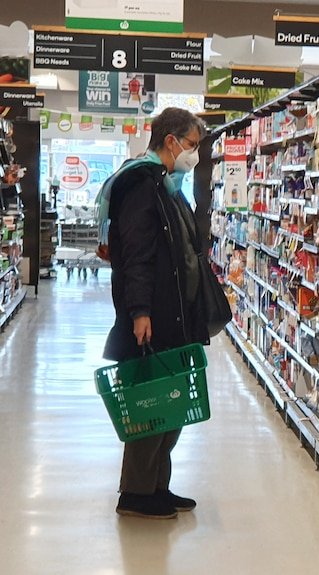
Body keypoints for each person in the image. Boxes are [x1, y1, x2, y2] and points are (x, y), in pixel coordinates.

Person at [96, 108, 209, 519]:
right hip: (154, 316)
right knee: (151, 403)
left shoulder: (164, 184)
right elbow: (139, 257)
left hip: (173, 314)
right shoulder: (141, 186)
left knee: (171, 404)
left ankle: (158, 484)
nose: (193, 154)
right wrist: (140, 311)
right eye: (191, 145)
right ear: (171, 141)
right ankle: (137, 494)